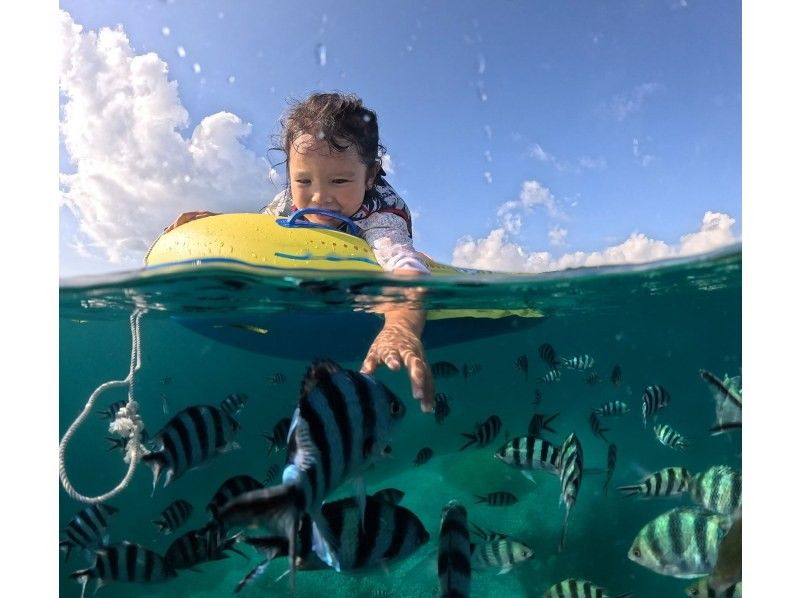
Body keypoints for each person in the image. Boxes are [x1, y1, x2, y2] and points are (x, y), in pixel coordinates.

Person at [165, 92, 434, 412]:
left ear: (371, 175)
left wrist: (400, 326)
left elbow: (403, 264)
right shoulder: (287, 203)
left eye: (339, 180)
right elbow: (257, 234)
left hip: (364, 266)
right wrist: (216, 223)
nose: (320, 196)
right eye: (303, 180)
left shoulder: (381, 215)